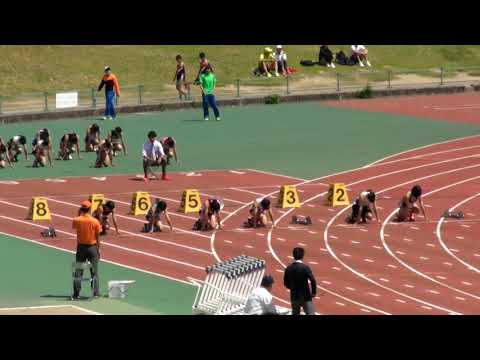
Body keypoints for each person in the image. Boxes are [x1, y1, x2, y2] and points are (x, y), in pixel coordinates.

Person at [72, 200, 102, 299]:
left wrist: (79, 213)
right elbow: (98, 236)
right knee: (94, 271)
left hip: (81, 247)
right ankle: (95, 293)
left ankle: (76, 293)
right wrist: (99, 248)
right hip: (92, 247)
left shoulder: (77, 220)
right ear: (90, 209)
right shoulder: (95, 221)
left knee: (78, 271)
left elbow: (75, 226)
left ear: (81, 209)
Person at [283, 247, 317, 315]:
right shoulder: (305, 268)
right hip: (306, 296)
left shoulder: (288, 268)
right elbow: (312, 280)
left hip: (294, 296)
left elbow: (286, 283)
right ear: (302, 256)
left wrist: (292, 288)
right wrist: (313, 292)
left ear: (293, 255)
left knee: (295, 313)